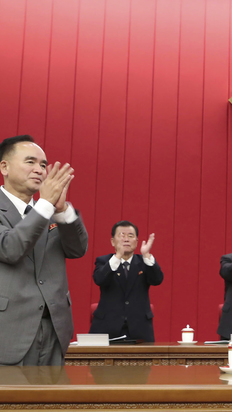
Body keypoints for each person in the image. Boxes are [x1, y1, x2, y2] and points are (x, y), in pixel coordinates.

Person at [0, 135, 88, 366]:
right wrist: (45, 205)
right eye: (30, 162)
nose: (39, 169)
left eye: (42, 164)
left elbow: (77, 249)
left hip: (55, 331)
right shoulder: (41, 209)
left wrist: (61, 210)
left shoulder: (49, 211)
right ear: (4, 167)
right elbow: (10, 248)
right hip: (9, 331)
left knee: (53, 401)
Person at [89, 221, 163, 342]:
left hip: (139, 329)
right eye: (122, 236)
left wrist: (147, 256)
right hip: (106, 328)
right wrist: (118, 256)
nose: (126, 239)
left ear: (137, 241)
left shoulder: (144, 262)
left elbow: (157, 280)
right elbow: (100, 279)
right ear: (113, 241)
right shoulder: (103, 261)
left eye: (130, 236)